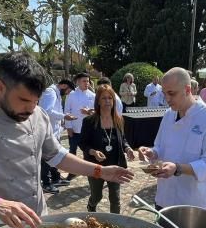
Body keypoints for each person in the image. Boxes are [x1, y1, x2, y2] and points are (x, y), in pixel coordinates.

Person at [0, 53, 134, 228]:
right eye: (24, 100)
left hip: (38, 217)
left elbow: (57, 156)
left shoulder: (38, 114)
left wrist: (100, 171)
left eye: (36, 101)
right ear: (0, 86)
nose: (31, 109)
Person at [138, 67, 206, 209]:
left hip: (193, 203)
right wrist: (152, 152)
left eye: (172, 93)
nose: (167, 99)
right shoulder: (168, 114)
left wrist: (178, 168)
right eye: (164, 94)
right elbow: (159, 146)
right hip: (164, 198)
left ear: (187, 90)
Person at [79, 84, 135, 214]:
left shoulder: (119, 119)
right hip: (96, 166)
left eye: (110, 98)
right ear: (98, 101)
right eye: (104, 98)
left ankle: (116, 223)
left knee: (115, 199)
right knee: (97, 196)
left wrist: (128, 149)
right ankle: (91, 206)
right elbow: (82, 143)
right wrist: (93, 152)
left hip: (115, 165)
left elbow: (123, 140)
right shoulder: (89, 121)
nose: (107, 101)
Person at [38, 77, 73, 193]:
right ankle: (46, 183)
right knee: (47, 158)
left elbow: (56, 109)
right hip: (49, 132)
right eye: (68, 91)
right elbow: (47, 111)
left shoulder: (56, 93)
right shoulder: (51, 93)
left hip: (55, 131)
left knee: (55, 156)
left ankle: (55, 177)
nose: (67, 94)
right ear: (64, 86)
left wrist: (62, 121)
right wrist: (64, 116)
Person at [63, 72, 96, 179]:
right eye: (84, 81)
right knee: (72, 151)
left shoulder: (93, 95)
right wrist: (68, 127)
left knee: (89, 150)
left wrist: (89, 112)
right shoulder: (71, 95)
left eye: (88, 81)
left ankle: (90, 170)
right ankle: (72, 171)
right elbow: (67, 111)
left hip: (88, 130)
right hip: (75, 128)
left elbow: (97, 112)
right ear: (78, 82)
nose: (87, 83)